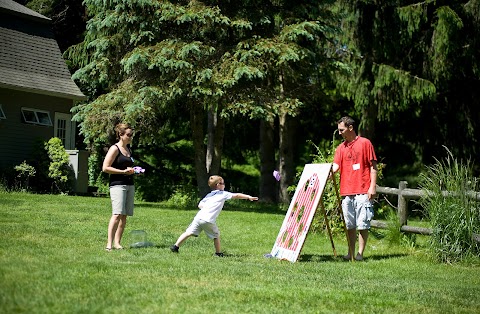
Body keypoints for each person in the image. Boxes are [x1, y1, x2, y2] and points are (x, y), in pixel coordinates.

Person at [170, 175, 258, 256]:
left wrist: (207, 207)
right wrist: (248, 197)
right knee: (216, 236)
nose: (224, 185)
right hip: (208, 220)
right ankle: (218, 253)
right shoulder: (223, 194)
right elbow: (236, 195)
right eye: (222, 183)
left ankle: (175, 246)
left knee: (188, 232)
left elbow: (200, 205)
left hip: (199, 217)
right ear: (217, 185)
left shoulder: (209, 195)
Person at [332, 116, 377, 261]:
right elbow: (336, 167)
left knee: (362, 224)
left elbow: (373, 167)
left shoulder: (365, 143)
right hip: (346, 192)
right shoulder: (341, 148)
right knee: (349, 225)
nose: (339, 133)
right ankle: (350, 253)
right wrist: (324, 172)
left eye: (342, 130)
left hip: (363, 190)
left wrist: (372, 187)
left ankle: (360, 254)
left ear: (350, 128)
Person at [102, 123, 136, 251]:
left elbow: (127, 166)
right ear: (121, 135)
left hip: (129, 184)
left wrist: (134, 171)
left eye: (132, 135)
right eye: (128, 135)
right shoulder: (114, 148)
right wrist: (122, 172)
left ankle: (118, 243)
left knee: (124, 215)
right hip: (117, 185)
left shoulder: (128, 149)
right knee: (117, 214)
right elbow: (105, 168)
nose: (130, 137)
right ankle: (109, 244)